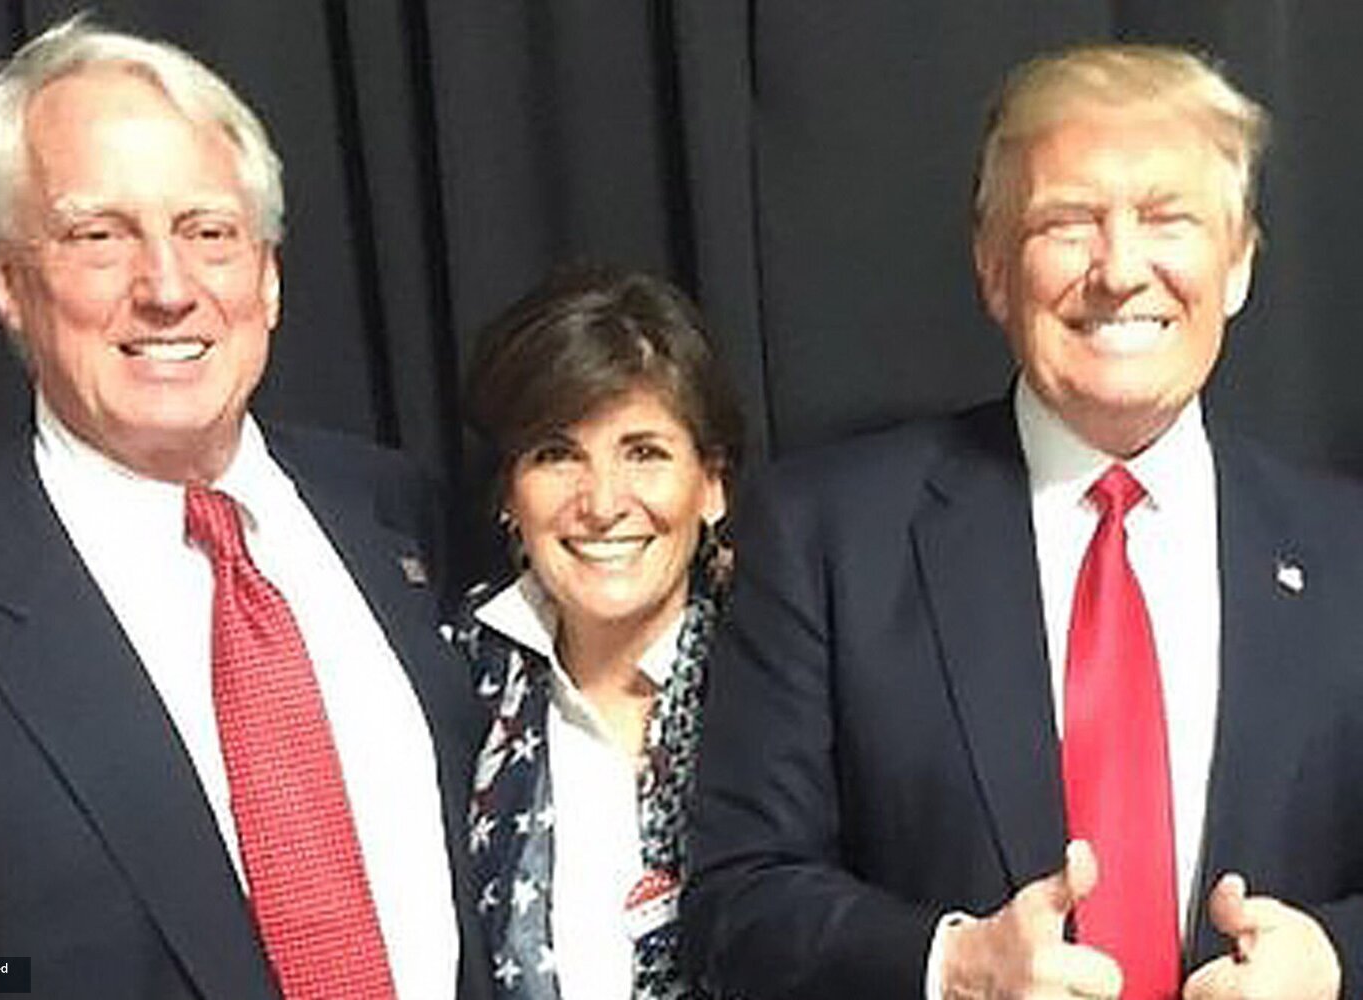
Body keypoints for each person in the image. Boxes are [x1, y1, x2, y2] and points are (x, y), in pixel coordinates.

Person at [686, 44, 1363, 1000]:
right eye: (1068, 222)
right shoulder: (825, 537)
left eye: (1166, 219)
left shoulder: (1349, 550)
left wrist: (1335, 960)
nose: (1119, 270)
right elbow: (736, 902)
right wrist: (952, 966)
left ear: (1240, 262)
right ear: (994, 268)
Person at [0, 17, 489, 1000]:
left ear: (267, 276)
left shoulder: (391, 511)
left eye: (208, 232)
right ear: (9, 285)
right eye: (99, 235)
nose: (166, 286)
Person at [452, 267, 743, 1000]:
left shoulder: (786, 674)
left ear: (711, 484)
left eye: (644, 452)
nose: (603, 503)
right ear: (509, 493)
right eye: (556, 453)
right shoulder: (442, 683)